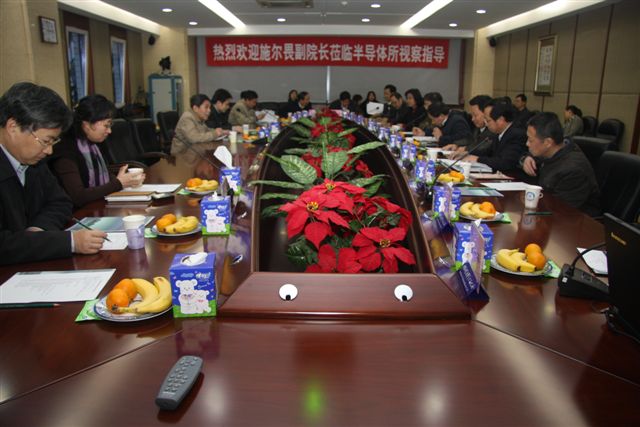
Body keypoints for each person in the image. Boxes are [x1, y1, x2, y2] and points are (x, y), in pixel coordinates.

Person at [0, 82, 106, 265]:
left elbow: (60, 202)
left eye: (53, 142)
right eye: (45, 141)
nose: (49, 151)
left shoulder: (33, 161)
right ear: (13, 127)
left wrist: (38, 230)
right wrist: (70, 242)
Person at [50, 95, 144, 208]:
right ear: (87, 125)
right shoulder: (65, 150)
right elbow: (78, 196)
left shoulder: (93, 144)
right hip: (76, 213)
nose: (109, 131)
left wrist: (124, 180)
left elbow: (103, 174)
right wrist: (118, 183)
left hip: (97, 205)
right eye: (106, 125)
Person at [521, 112, 600, 216]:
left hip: (574, 220)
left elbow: (560, 211)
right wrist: (526, 158)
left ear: (548, 142)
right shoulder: (551, 150)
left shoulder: (573, 170)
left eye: (531, 140)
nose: (527, 143)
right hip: (547, 210)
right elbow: (526, 157)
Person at [461, 99, 528, 172]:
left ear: (501, 120)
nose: (486, 124)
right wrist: (466, 154)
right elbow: (487, 152)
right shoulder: (498, 133)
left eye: (488, 121)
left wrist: (478, 159)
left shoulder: (517, 135)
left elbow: (505, 162)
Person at [171, 94, 225, 164]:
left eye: (209, 107)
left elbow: (206, 130)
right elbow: (194, 138)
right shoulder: (187, 118)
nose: (209, 110)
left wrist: (220, 131)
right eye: (206, 107)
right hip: (181, 157)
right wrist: (215, 134)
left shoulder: (198, 117)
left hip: (193, 153)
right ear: (195, 108)